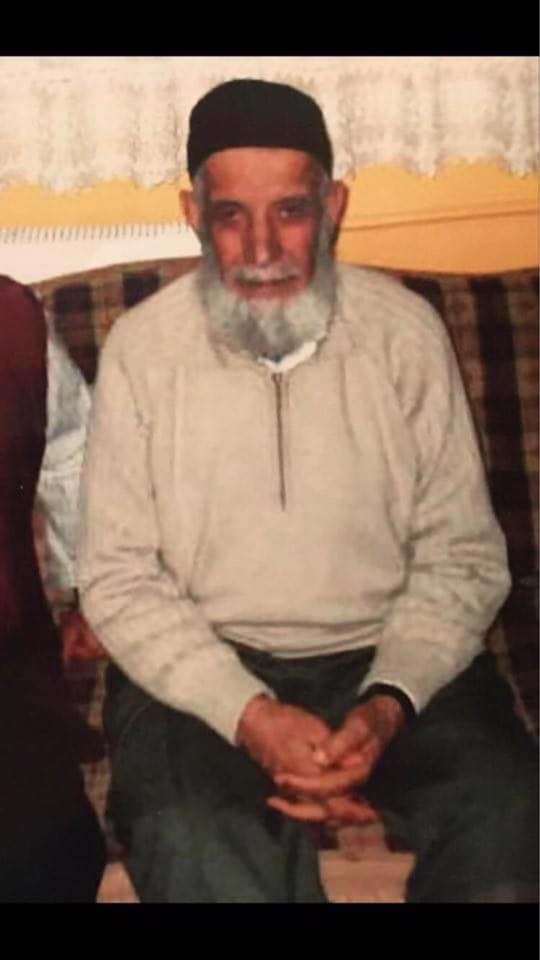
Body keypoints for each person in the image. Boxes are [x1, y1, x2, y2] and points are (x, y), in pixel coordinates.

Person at [77, 80, 538, 903]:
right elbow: (117, 576)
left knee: (509, 825)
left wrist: (387, 705)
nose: (262, 247)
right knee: (194, 846)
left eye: (290, 211)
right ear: (193, 214)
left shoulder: (406, 336)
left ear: (334, 207)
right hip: (203, 672)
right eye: (231, 215)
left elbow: (464, 556)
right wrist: (251, 715)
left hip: (392, 657)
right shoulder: (141, 352)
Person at [0, 275, 106, 902]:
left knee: (51, 859)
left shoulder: (12, 323)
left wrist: (89, 588)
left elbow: (72, 452)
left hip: (10, 667)